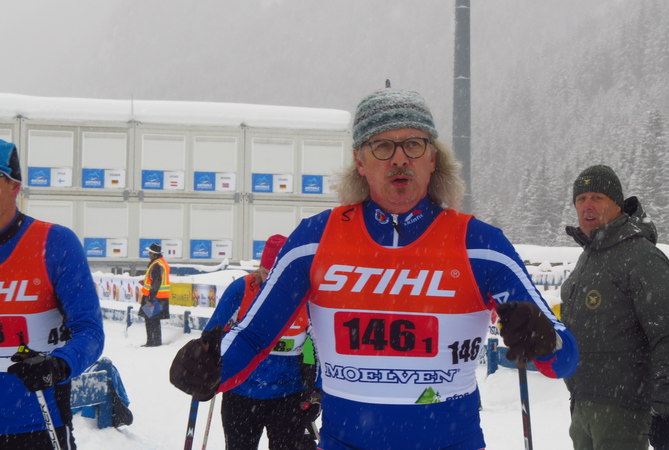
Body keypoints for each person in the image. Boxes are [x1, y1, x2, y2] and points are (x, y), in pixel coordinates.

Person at [170, 88, 579, 449]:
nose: (400, 158)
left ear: (432, 158)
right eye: (382, 146)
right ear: (360, 161)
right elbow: (255, 334)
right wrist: (212, 368)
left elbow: (565, 357)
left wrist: (545, 340)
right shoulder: (314, 240)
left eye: (413, 145)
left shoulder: (481, 245)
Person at [560, 165, 669, 450]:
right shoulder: (587, 258)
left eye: (597, 197)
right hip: (583, 406)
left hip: (624, 411)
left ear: (617, 205)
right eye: (581, 199)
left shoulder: (641, 257)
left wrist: (666, 413)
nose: (587, 205)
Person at [0, 139, 105, 448]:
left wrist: (57, 365)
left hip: (36, 420)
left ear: (14, 186)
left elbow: (89, 331)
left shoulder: (55, 243)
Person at [203, 234, 318, 450]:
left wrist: (317, 390)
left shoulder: (305, 293)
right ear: (259, 269)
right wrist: (204, 367)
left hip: (288, 395)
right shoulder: (242, 289)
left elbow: (321, 345)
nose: (271, 281)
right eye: (266, 273)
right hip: (241, 393)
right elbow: (212, 333)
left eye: (278, 274)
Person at [139, 243, 171, 347]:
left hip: (154, 298)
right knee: (153, 320)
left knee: (151, 320)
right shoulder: (161, 263)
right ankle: (154, 342)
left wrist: (149, 298)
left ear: (154, 254)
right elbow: (156, 281)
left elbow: (156, 282)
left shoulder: (156, 265)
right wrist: (145, 283)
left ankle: (152, 342)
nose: (149, 254)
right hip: (159, 297)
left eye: (150, 253)